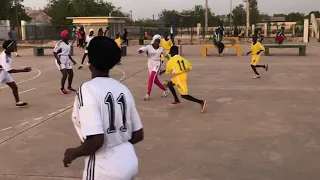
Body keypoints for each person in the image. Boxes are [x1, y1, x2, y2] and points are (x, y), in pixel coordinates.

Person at [63, 36, 144, 180]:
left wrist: (73, 153)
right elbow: (138, 134)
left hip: (104, 169)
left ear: (90, 62)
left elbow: (96, 141)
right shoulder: (123, 89)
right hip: (129, 161)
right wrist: (119, 147)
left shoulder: (87, 89)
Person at [164, 46, 207, 112]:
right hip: (181, 75)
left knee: (184, 95)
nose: (170, 54)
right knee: (169, 84)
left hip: (179, 78)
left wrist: (165, 71)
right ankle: (176, 100)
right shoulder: (183, 59)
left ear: (173, 52)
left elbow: (167, 71)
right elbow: (190, 68)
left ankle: (201, 102)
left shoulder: (171, 60)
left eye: (171, 52)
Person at [138, 34, 170, 101]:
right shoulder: (149, 47)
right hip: (150, 63)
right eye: (156, 41)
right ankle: (165, 90)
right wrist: (140, 50)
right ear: (153, 41)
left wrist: (172, 61)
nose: (157, 43)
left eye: (158, 41)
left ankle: (148, 93)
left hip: (157, 63)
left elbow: (167, 56)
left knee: (151, 77)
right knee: (155, 80)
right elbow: (143, 49)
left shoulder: (161, 48)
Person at [0, 40, 31, 107]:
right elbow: (10, 70)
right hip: (1, 74)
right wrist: (23, 70)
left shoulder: (8, 53)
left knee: (14, 87)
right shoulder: (3, 57)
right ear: (9, 47)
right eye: (13, 45)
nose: (15, 46)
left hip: (5, 73)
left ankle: (18, 102)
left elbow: (7, 70)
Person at [53, 30, 77, 94]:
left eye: (68, 35)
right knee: (65, 74)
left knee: (71, 73)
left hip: (67, 59)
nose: (68, 36)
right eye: (67, 35)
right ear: (63, 36)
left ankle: (69, 87)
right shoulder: (59, 43)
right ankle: (62, 89)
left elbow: (67, 53)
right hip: (60, 59)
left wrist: (72, 60)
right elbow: (54, 52)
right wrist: (58, 60)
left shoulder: (68, 43)